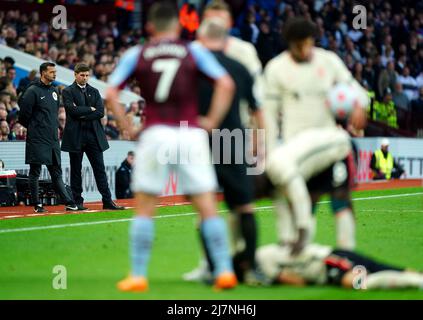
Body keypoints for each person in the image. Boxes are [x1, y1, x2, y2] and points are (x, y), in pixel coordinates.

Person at [106, 2, 237, 292]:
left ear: (149, 27)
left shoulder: (136, 53)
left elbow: (111, 93)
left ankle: (138, 275)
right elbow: (226, 84)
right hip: (189, 132)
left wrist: (128, 128)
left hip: (155, 133)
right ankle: (225, 271)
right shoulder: (193, 50)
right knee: (206, 205)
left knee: (145, 206)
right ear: (178, 27)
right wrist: (212, 121)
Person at [261, 17, 368, 254]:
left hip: (330, 145)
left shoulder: (329, 62)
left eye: (308, 43)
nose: (304, 49)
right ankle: (300, 255)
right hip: (298, 150)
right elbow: (267, 115)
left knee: (341, 199)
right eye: (298, 44)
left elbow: (357, 91)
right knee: (304, 204)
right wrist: (269, 152)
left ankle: (347, 254)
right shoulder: (276, 69)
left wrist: (360, 105)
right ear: (289, 44)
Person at [184, 17, 265, 285]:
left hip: (198, 142)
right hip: (232, 139)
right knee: (244, 205)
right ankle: (251, 269)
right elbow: (257, 109)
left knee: (206, 207)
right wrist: (258, 142)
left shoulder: (192, 68)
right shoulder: (239, 67)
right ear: (226, 40)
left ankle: (214, 268)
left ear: (202, 39)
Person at [61, 63, 124, 211]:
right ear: (75, 75)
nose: (85, 78)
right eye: (82, 75)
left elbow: (100, 112)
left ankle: (107, 201)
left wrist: (81, 113)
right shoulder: (68, 91)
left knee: (100, 169)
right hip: (76, 136)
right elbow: (71, 111)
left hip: (93, 135)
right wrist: (89, 109)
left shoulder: (94, 91)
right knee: (76, 170)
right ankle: (78, 202)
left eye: (87, 75)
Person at [18, 62, 78, 213]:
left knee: (56, 171)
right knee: (35, 171)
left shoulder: (54, 90)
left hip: (52, 139)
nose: (54, 74)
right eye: (51, 72)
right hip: (37, 138)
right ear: (43, 73)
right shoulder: (32, 91)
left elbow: (53, 114)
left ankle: (69, 202)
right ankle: (37, 204)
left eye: (55, 72)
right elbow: (23, 116)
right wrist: (35, 128)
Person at [255, 242, 423, 290]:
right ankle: (416, 275)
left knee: (359, 283)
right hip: (334, 252)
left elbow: (298, 282)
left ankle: (416, 282)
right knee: (378, 266)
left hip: (328, 263)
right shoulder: (265, 251)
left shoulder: (261, 260)